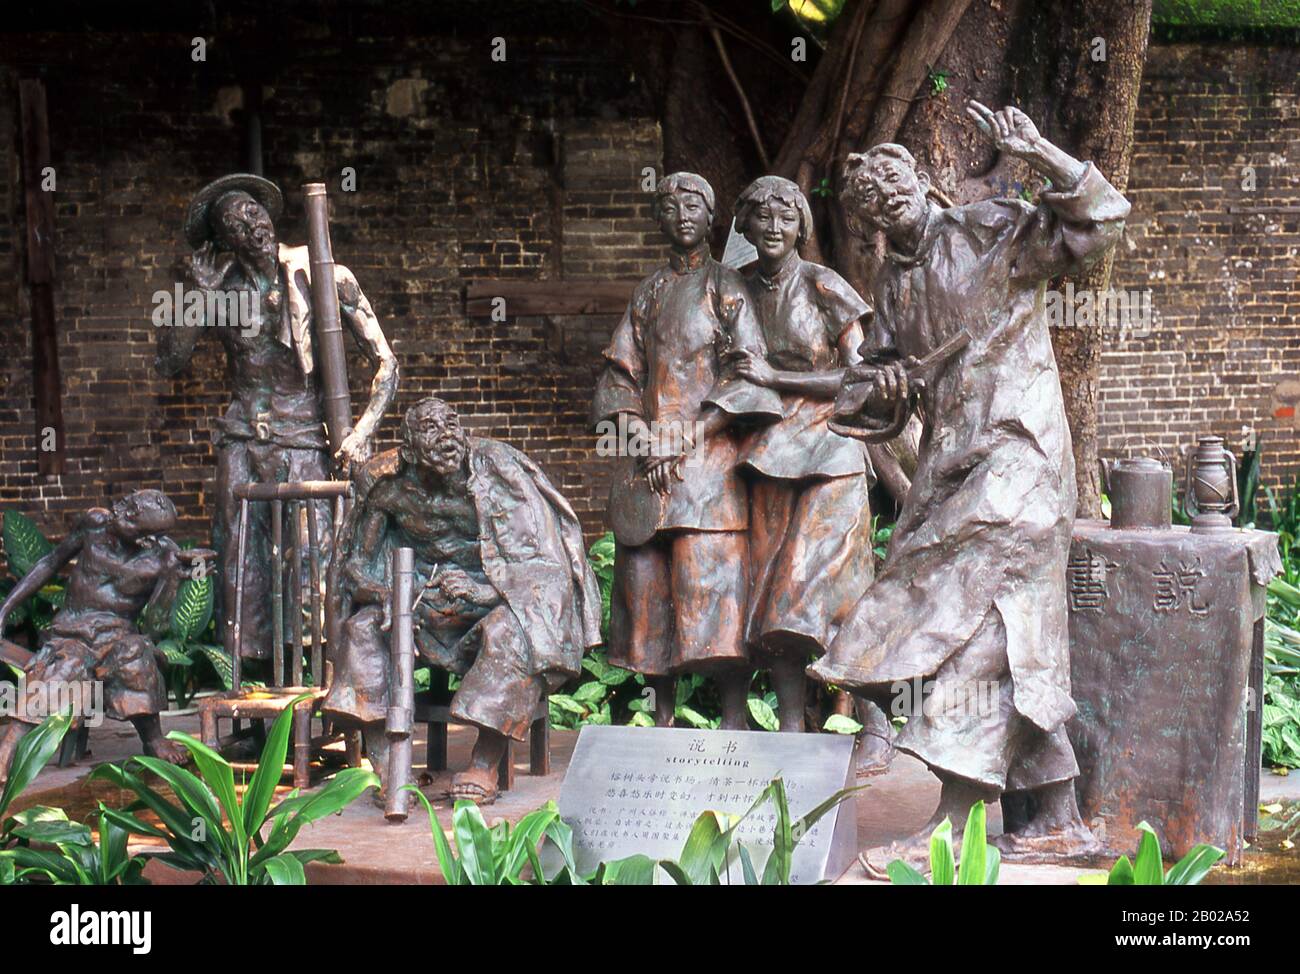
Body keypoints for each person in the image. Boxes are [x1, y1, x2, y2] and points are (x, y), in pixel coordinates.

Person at [810, 103, 1130, 867]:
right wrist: (880, 384)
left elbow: (1102, 221)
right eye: (871, 200)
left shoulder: (990, 230)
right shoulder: (892, 283)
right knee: (1012, 633)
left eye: (895, 185)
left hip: (1017, 461)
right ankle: (1053, 815)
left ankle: (956, 822)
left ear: (920, 180)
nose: (887, 201)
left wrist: (1042, 152)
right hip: (951, 469)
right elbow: (866, 393)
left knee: (976, 629)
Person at [156, 174, 398, 661]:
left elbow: (387, 365)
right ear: (222, 241)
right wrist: (195, 301)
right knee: (241, 570)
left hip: (305, 439)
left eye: (253, 211)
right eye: (235, 224)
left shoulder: (323, 274)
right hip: (244, 440)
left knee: (311, 565)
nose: (251, 226)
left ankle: (322, 695)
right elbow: (169, 361)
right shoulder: (219, 288)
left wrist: (360, 434)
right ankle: (261, 709)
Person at [322, 398, 601, 804]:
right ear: (409, 447)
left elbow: (542, 564)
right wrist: (388, 596)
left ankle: (483, 765)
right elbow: (354, 566)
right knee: (362, 629)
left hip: (491, 599)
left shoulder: (499, 471)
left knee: (511, 630)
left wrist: (485, 591)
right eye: (432, 429)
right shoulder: (388, 487)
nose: (447, 436)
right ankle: (389, 772)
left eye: (452, 424)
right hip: (419, 601)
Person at [592, 172, 782, 729]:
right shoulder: (647, 293)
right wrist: (642, 436)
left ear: (711, 216)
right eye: (670, 205)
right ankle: (663, 715)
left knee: (713, 588)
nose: (682, 214)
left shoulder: (727, 287)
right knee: (647, 592)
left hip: (709, 462)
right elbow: (619, 376)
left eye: (694, 203)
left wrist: (688, 435)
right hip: (650, 467)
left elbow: (750, 375)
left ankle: (732, 717)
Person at [726, 176, 876, 733]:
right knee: (770, 591)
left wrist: (778, 377)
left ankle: (874, 722)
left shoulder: (823, 285)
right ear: (744, 225)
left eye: (785, 218)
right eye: (761, 217)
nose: (772, 228)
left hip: (829, 449)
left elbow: (859, 377)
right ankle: (792, 725)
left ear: (800, 228)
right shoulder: (732, 288)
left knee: (824, 588)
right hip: (765, 453)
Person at [0, 491, 208, 782]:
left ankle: (153, 738)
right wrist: (6, 608)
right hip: (72, 630)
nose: (145, 541)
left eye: (150, 534)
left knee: (135, 654)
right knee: (62, 666)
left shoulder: (164, 557)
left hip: (118, 634)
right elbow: (50, 563)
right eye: (128, 513)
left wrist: (172, 581)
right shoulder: (94, 525)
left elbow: (154, 625)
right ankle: (8, 746)